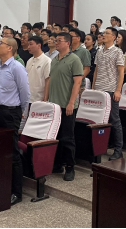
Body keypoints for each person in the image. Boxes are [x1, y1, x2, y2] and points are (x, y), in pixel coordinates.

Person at [0, 38, 30, 206]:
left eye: (0, 43)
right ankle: (2, 184)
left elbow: (25, 93)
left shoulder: (17, 67)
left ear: (9, 48)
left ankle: (16, 192)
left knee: (12, 152)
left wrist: (20, 113)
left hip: (10, 112)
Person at [44, 32, 83, 181]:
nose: (56, 43)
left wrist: (71, 103)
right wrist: (46, 100)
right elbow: (49, 80)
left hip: (67, 105)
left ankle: (70, 167)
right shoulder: (54, 60)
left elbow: (77, 83)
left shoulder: (75, 60)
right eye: (56, 40)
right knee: (56, 136)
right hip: (54, 105)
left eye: (59, 40)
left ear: (68, 43)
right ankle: (58, 164)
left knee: (67, 137)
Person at [93, 27, 125, 161]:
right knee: (99, 120)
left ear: (113, 37)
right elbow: (96, 70)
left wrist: (118, 90)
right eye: (103, 33)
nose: (103, 35)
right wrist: (93, 88)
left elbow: (121, 72)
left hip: (111, 90)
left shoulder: (118, 52)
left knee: (114, 119)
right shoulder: (99, 51)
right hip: (99, 89)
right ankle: (99, 148)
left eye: (107, 33)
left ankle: (118, 150)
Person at [27, 36, 51, 104]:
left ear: (39, 45)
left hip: (39, 99)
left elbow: (48, 80)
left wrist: (45, 98)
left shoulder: (47, 61)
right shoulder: (29, 60)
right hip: (28, 97)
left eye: (31, 44)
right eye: (28, 44)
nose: (28, 47)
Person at [70, 28, 91, 94]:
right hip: (65, 84)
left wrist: (77, 79)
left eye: (71, 37)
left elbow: (86, 69)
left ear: (78, 38)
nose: (69, 38)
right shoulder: (66, 50)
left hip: (78, 85)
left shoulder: (84, 52)